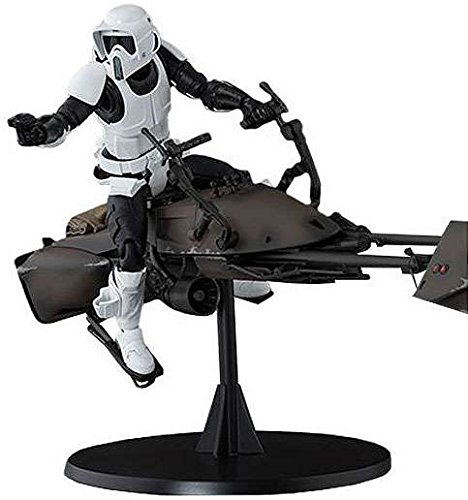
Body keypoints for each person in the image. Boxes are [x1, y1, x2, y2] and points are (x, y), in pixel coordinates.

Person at [8, 4, 272, 376]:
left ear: (146, 40)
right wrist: (40, 133)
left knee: (233, 183)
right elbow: (64, 119)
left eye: (123, 42)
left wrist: (246, 103)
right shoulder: (96, 79)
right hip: (126, 175)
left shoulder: (163, 57)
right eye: (108, 42)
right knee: (130, 251)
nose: (115, 52)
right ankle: (129, 331)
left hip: (167, 161)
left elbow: (204, 89)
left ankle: (227, 271)